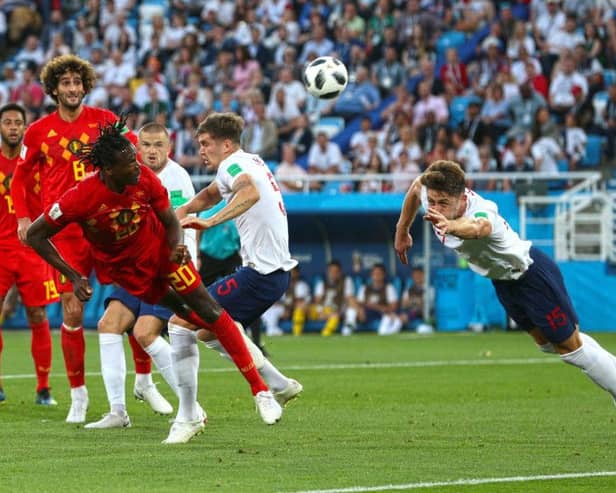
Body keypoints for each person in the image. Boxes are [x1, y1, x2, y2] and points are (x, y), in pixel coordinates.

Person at [26, 116, 283, 444]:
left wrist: (176, 246)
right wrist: (73, 275)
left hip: (162, 254)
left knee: (209, 312)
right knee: (170, 322)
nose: (137, 165)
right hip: (128, 271)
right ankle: (146, 407)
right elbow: (35, 235)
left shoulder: (146, 179)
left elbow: (170, 220)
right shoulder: (80, 197)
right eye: (129, 160)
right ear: (107, 168)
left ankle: (261, 391)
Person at [394, 160, 616, 408]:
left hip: (531, 275)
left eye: (444, 203)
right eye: (432, 202)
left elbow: (479, 228)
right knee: (549, 344)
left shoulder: (482, 210)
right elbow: (416, 187)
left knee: (570, 349)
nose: (435, 208)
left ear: (462, 198)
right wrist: (402, 229)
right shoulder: (430, 194)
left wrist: (452, 226)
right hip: (503, 283)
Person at [10, 54, 158, 424]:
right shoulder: (38, 132)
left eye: (78, 83)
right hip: (67, 235)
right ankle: (78, 394)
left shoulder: (106, 122)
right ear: (54, 89)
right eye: (66, 83)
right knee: (73, 311)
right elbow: (20, 179)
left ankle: (144, 380)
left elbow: (134, 158)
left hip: (110, 225)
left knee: (131, 302)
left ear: (85, 86)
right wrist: (25, 217)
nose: (72, 89)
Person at [175, 111, 303, 408]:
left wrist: (210, 221)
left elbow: (250, 192)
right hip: (270, 275)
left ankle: (188, 413)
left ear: (227, 144)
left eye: (207, 143)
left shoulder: (233, 165)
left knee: (180, 321)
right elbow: (208, 195)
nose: (201, 150)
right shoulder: (249, 160)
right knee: (208, 331)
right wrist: (181, 212)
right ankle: (280, 384)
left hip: (260, 275)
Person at [0, 103, 60, 405]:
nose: (13, 127)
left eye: (17, 122)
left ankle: (44, 387)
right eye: (7, 122)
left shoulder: (37, 163)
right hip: (0, 249)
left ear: (25, 127)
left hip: (32, 250)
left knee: (38, 315)